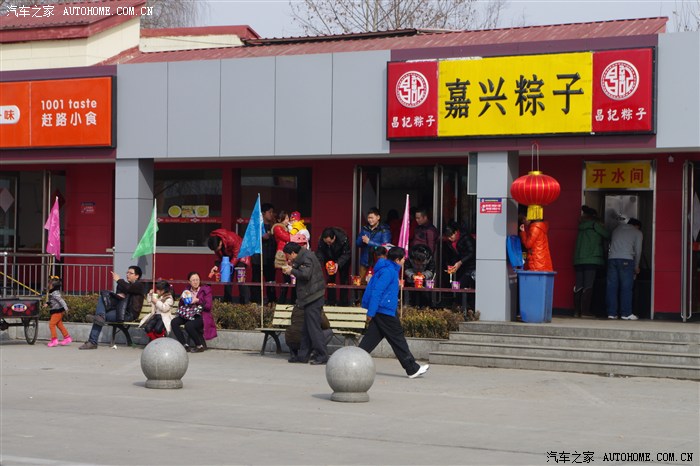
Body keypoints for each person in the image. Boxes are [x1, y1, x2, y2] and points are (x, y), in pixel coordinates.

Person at [359, 246, 429, 379]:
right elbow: (377, 292)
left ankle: (352, 361)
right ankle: (412, 369)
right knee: (398, 339)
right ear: (397, 260)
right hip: (385, 311)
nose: (404, 261)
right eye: (403, 259)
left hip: (383, 310)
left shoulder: (387, 269)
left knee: (370, 340)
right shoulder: (389, 272)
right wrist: (371, 313)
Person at [282, 242, 328, 365]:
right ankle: (303, 356)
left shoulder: (307, 257)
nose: (288, 258)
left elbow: (306, 274)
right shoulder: (303, 256)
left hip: (313, 297)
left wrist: (292, 270)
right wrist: (293, 268)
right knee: (306, 329)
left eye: (288, 256)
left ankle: (322, 355)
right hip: (309, 297)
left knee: (313, 328)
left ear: (293, 253)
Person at [80, 266, 146, 350]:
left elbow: (129, 288)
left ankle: (92, 342)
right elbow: (121, 295)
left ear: (137, 276)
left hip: (128, 314)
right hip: (119, 311)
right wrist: (118, 294)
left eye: (131, 273)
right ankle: (99, 317)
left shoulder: (139, 285)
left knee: (99, 318)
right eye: (127, 272)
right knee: (102, 301)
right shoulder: (125, 285)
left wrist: (118, 280)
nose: (128, 274)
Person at [573, 206, 610, 317]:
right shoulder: (595, 225)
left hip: (578, 259)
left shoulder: (581, 226)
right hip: (591, 259)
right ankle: (585, 312)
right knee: (588, 286)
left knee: (579, 286)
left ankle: (576, 311)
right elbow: (608, 235)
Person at [606, 218, 643, 320]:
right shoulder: (637, 232)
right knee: (626, 287)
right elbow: (638, 250)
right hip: (626, 260)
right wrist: (636, 266)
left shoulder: (616, 230)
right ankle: (626, 313)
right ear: (637, 226)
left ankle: (611, 313)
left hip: (612, 259)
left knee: (611, 287)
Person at [171, 272, 215, 352]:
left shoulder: (205, 290)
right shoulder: (187, 290)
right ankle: (184, 344)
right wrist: (182, 299)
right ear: (189, 282)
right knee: (174, 322)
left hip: (201, 315)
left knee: (189, 325)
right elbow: (181, 305)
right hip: (188, 314)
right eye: (193, 280)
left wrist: (197, 300)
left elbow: (208, 306)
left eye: (197, 280)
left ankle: (199, 346)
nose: (195, 282)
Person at [208, 228, 250, 304]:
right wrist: (216, 265)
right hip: (228, 258)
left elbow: (237, 254)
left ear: (220, 242)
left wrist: (230, 265)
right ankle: (227, 302)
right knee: (226, 279)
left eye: (217, 249)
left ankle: (244, 303)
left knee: (240, 280)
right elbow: (218, 256)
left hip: (241, 255)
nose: (216, 250)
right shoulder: (214, 241)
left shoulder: (231, 238)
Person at [443, 223, 477, 312]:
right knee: (458, 285)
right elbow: (453, 255)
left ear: (456, 232)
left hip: (472, 266)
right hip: (462, 266)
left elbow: (472, 252)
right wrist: (451, 265)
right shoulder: (450, 242)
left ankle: (461, 307)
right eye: (448, 237)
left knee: (462, 285)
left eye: (451, 236)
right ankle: (463, 307)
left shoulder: (466, 238)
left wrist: (460, 262)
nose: (450, 238)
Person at [316, 227, 351, 306]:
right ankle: (331, 301)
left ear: (334, 238)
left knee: (344, 280)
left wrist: (338, 263)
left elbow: (347, 253)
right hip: (329, 259)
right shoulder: (322, 241)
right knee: (330, 280)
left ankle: (343, 303)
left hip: (342, 259)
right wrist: (319, 262)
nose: (328, 244)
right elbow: (320, 253)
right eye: (326, 242)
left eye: (329, 242)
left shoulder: (343, 239)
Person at [355, 207, 391, 284]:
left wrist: (369, 242)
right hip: (365, 261)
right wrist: (362, 240)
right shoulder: (365, 228)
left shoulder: (384, 230)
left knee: (377, 283)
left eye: (372, 218)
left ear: (378, 217)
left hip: (378, 261)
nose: (370, 220)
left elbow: (385, 246)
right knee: (362, 284)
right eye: (368, 218)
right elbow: (357, 243)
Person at [251, 202, 277, 304]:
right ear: (263, 213)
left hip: (270, 257)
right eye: (269, 212)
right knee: (256, 280)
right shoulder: (256, 226)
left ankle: (272, 301)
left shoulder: (274, 226)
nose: (271, 214)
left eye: (272, 212)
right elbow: (251, 239)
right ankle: (256, 301)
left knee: (271, 280)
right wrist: (261, 237)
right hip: (258, 258)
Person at [272, 211, 295, 304]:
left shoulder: (287, 228)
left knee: (291, 278)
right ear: (279, 220)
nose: (287, 220)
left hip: (289, 253)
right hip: (282, 254)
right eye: (285, 219)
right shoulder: (278, 227)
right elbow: (287, 237)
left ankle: (290, 300)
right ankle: (282, 301)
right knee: (286, 278)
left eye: (288, 218)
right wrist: (293, 230)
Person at [404, 243, 436, 308]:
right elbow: (406, 269)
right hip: (411, 280)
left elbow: (431, 270)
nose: (419, 264)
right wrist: (412, 275)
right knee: (413, 296)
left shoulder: (429, 259)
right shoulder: (409, 258)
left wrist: (423, 276)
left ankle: (426, 307)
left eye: (421, 262)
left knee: (425, 297)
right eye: (417, 262)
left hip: (425, 281)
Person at [44, 276, 71, 347]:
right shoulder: (53, 293)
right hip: (57, 311)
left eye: (49, 284)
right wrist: (47, 303)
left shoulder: (55, 293)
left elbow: (61, 300)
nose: (48, 285)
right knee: (59, 325)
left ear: (53, 286)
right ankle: (67, 337)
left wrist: (66, 308)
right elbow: (52, 301)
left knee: (51, 325)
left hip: (57, 311)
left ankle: (54, 340)